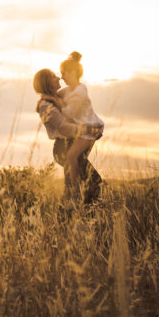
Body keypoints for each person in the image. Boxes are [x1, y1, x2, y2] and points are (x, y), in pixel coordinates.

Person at [33, 66, 103, 210]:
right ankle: (79, 215)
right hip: (63, 147)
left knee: (76, 187)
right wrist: (87, 130)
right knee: (92, 183)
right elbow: (63, 127)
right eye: (53, 76)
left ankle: (71, 217)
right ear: (46, 82)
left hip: (73, 144)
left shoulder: (59, 96)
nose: (58, 78)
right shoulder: (45, 105)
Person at [57, 51, 104, 205]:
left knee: (72, 156)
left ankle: (76, 190)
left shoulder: (79, 91)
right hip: (83, 129)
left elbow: (70, 112)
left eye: (63, 73)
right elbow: (56, 95)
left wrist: (55, 102)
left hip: (90, 128)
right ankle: (83, 190)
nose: (61, 77)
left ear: (73, 72)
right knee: (77, 160)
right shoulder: (68, 89)